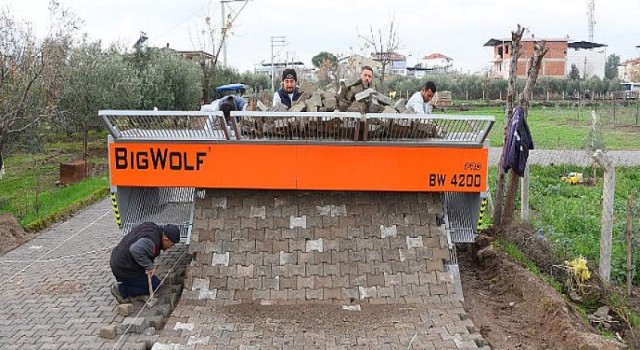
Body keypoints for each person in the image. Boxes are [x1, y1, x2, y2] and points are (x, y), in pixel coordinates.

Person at [109, 222, 181, 303]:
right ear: (166, 240)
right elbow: (135, 249)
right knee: (156, 286)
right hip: (123, 267)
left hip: (120, 258)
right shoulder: (152, 242)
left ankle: (132, 283)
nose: (171, 248)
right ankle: (120, 289)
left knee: (151, 281)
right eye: (172, 245)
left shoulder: (153, 228)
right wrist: (149, 266)